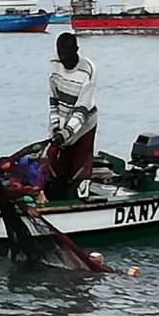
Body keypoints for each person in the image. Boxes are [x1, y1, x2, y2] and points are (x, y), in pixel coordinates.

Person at [46, 31, 97, 199]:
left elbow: (82, 110)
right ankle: (56, 197)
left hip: (84, 125)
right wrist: (55, 128)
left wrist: (66, 133)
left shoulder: (86, 71)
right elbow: (53, 99)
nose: (63, 58)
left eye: (67, 54)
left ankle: (78, 196)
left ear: (77, 50)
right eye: (60, 53)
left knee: (79, 169)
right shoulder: (55, 64)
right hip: (62, 121)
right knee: (55, 164)